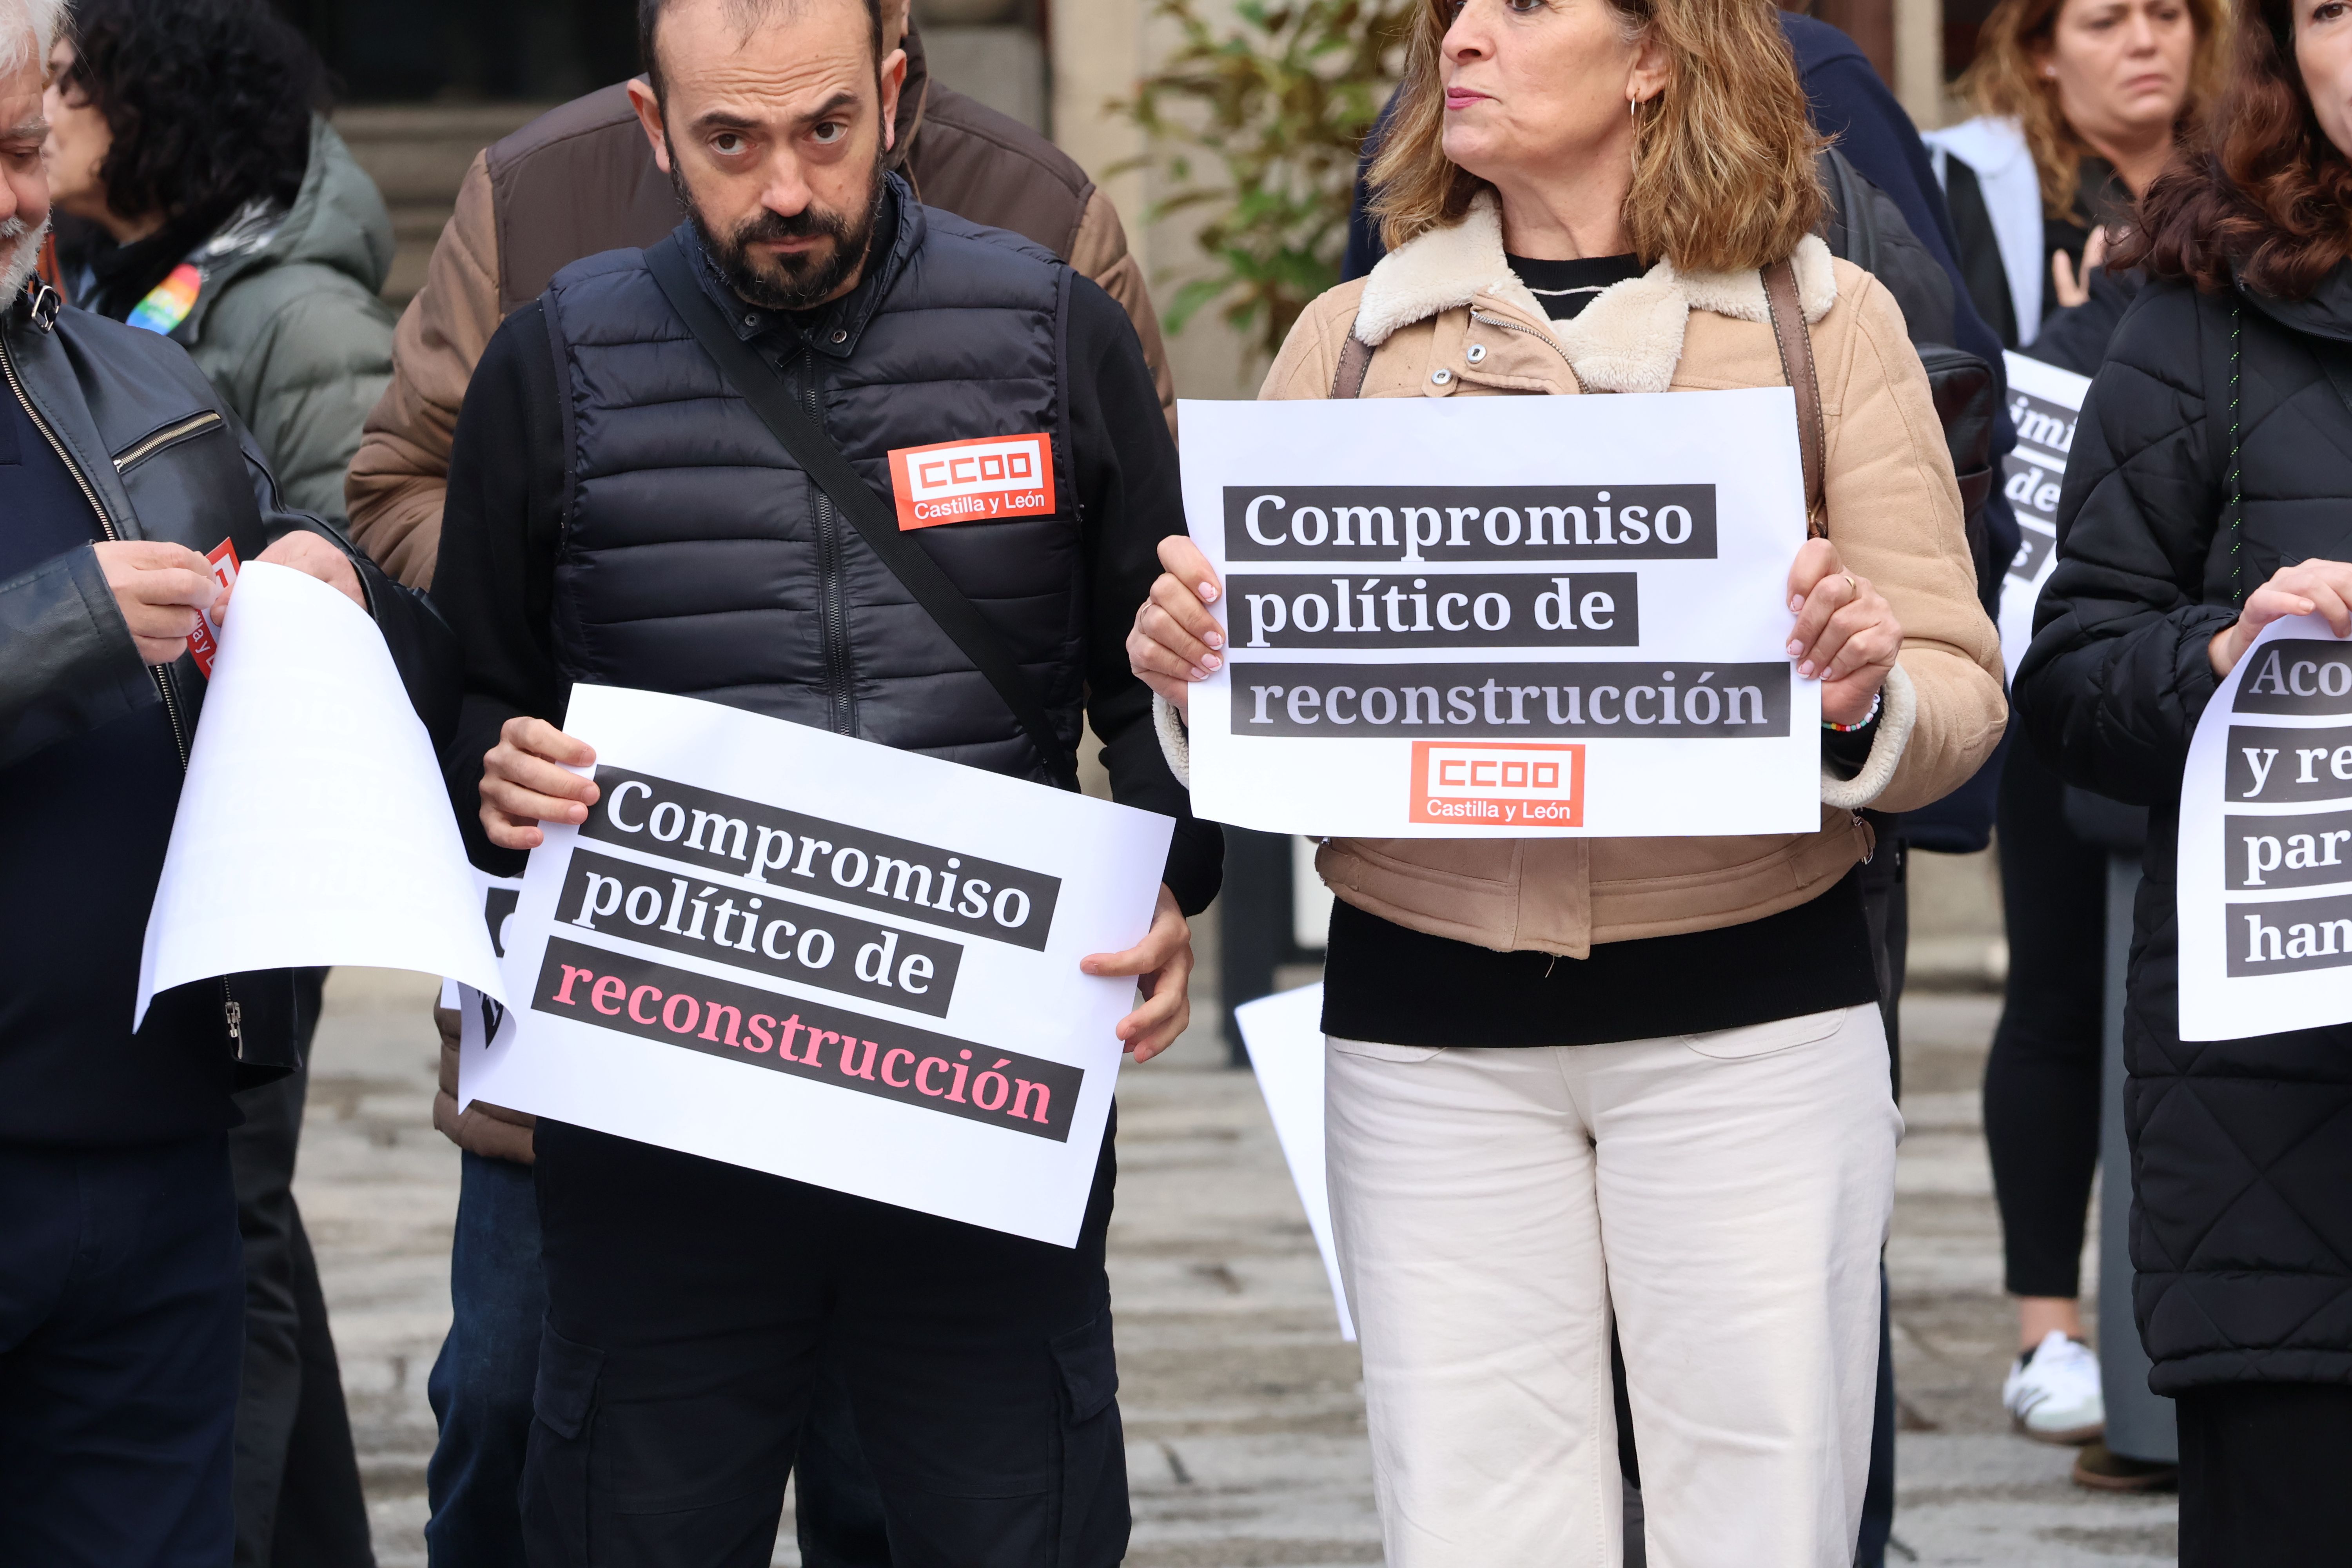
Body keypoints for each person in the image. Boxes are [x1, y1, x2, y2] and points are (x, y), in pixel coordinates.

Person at [1131, 0, 2006, 1559]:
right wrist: (1199, 671)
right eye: (1454, 10)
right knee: (1475, 1524)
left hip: (1754, 1028)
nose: (1462, 35)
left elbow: (1958, 681)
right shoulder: (1352, 346)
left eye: (1522, 6)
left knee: (1762, 1519)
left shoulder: (1825, 321)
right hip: (1428, 1035)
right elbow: (1267, 717)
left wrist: (1861, 692)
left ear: (1657, 52)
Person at [345, 5, 1181, 1564]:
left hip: (976, 1133)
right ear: (657, 131)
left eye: (823, 133)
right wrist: (496, 772)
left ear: (895, 96)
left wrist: (1173, 890)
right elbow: (478, 701)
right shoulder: (553, 362)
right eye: (730, 144)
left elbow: (1158, 696)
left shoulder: (1056, 334)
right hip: (667, 1152)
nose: (783, 187)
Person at [0, 2, 454, 1563]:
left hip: (159, 1168)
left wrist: (336, 582)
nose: (19, 195)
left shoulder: (145, 385)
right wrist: (61, 627)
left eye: (26, 145)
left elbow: (332, 618)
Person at [2014, 0, 2352, 1548]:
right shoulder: (2201, 304)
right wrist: (2225, 647)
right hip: (2282, 1142)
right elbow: (2077, 672)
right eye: (2330, 12)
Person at [41, 0, 394, 527]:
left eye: (68, 82)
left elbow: (363, 561)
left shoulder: (310, 323)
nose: (38, 111)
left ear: (164, 97)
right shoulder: (88, 290)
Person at [1924, 0, 2222, 351]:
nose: (2145, 42)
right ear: (2042, 52)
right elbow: (1964, 387)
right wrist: (2080, 337)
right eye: (2105, 23)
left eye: (2166, 15)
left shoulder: (2245, 169)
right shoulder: (1972, 182)